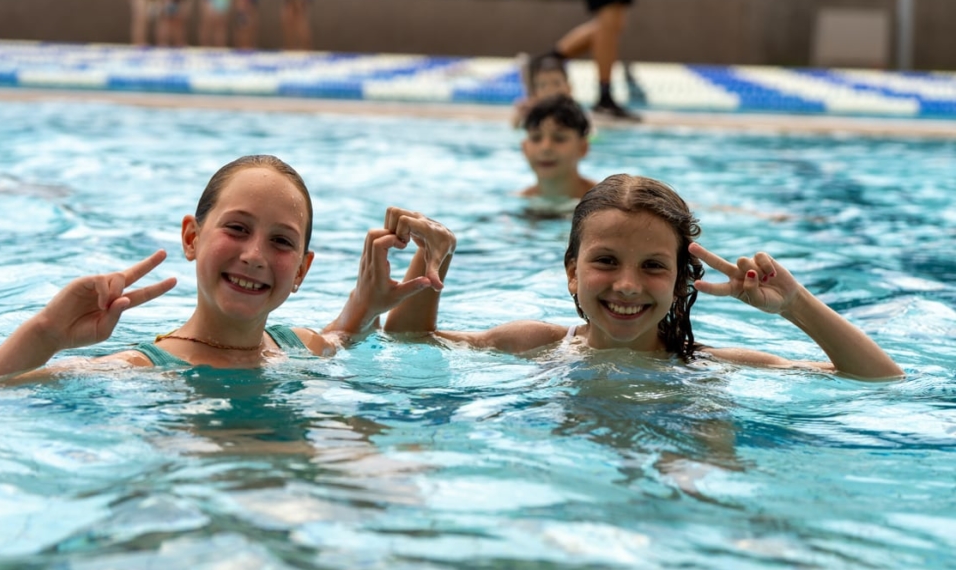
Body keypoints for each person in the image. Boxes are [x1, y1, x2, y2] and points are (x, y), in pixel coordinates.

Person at [0, 155, 456, 382]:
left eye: (281, 241)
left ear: (301, 271)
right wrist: (46, 332)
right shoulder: (138, 371)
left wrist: (435, 255)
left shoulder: (299, 347)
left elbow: (361, 333)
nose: (255, 255)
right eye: (237, 229)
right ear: (191, 238)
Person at [384, 174, 904, 381]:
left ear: (680, 283)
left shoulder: (707, 367)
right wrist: (434, 256)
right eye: (606, 261)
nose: (628, 285)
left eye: (653, 266)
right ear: (572, 273)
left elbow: (879, 379)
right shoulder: (535, 344)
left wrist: (795, 304)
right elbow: (410, 341)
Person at [518, 93, 595, 201]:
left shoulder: (605, 202)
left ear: (583, 148)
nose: (545, 148)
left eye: (559, 138)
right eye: (536, 138)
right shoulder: (519, 199)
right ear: (524, 148)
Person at [511, 52, 574, 128]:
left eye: (557, 84)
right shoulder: (534, 111)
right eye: (543, 86)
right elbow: (514, 126)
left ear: (569, 88)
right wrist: (520, 115)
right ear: (535, 92)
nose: (550, 90)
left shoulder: (574, 112)